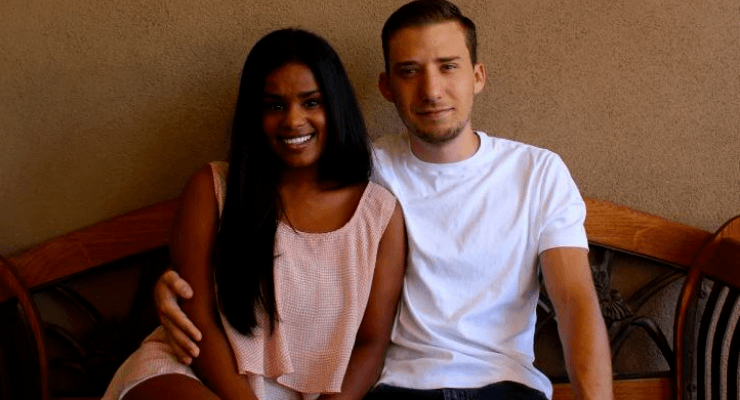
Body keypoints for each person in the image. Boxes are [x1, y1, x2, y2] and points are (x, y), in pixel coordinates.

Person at [156, 1, 614, 399]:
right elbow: (268, 217)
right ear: (386, 86)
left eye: (448, 66)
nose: (431, 90)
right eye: (410, 71)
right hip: (399, 389)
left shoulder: (536, 172)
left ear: (478, 76)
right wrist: (175, 290)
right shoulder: (362, 173)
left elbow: (575, 303)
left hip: (506, 386)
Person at [102, 28, 406, 400]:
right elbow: (199, 320)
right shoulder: (213, 189)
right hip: (201, 373)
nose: (293, 120)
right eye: (275, 106)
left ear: (336, 105)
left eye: (312, 102)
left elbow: (370, 344)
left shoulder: (377, 215)